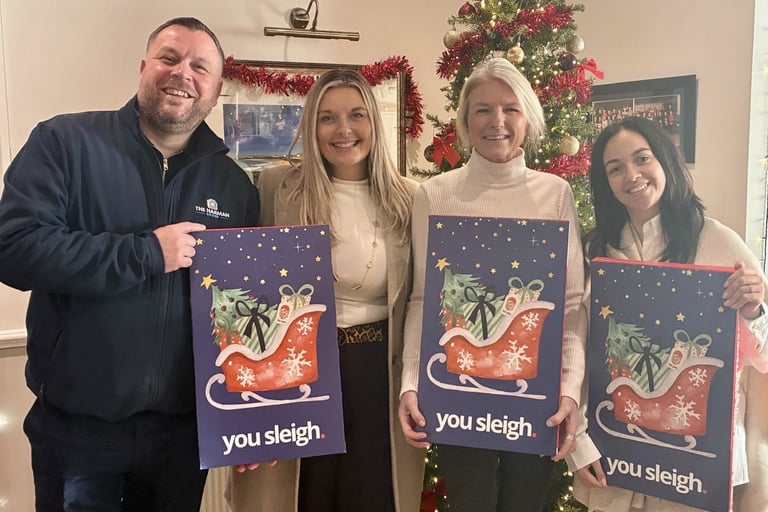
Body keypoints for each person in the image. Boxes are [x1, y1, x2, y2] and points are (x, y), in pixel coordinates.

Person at [0, 17, 260, 511]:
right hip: (77, 430)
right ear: (144, 67)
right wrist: (144, 253)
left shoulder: (233, 186)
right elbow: (14, 249)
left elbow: (240, 313)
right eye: (169, 57)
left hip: (180, 438)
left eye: (200, 66)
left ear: (216, 87)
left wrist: (248, 417)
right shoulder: (65, 143)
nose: (183, 73)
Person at [228, 68, 425, 512]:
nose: (343, 130)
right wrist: (241, 413)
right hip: (298, 372)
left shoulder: (410, 199)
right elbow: (248, 295)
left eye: (356, 115)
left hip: (378, 374)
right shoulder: (278, 188)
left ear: (374, 122)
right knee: (301, 496)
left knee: (373, 496)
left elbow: (421, 300)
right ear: (311, 126)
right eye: (327, 117)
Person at [398, 57, 588, 512]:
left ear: (528, 118)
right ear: (464, 121)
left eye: (510, 109)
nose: (497, 122)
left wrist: (569, 389)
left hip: (536, 394)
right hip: (460, 393)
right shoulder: (435, 195)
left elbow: (572, 304)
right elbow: (424, 298)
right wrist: (410, 383)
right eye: (482, 109)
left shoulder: (554, 193)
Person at [570, 116, 768, 511]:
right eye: (615, 168)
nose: (632, 175)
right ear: (605, 183)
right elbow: (575, 346)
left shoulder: (718, 242)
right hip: (615, 457)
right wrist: (577, 440)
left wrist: (753, 310)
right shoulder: (595, 251)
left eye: (642, 158)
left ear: (665, 161)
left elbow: (762, 357)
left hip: (694, 464)